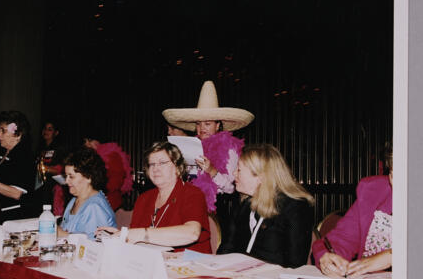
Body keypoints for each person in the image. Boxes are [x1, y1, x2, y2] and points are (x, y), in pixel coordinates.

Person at [162, 80, 254, 243]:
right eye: (198, 124)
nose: (201, 128)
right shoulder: (192, 146)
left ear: (218, 125)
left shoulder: (229, 148)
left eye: (207, 124)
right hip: (190, 205)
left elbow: (231, 188)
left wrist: (212, 171)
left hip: (218, 211)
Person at [97, 141, 211, 253]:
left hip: (189, 266)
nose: (155, 168)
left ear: (177, 167)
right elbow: (136, 237)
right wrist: (120, 235)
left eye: (162, 163)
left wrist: (140, 234)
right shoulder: (144, 198)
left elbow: (192, 234)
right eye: (152, 164)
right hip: (153, 263)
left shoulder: (192, 194)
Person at [217, 144, 315, 268]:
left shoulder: (294, 207)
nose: (233, 173)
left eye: (239, 170)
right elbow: (226, 250)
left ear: (260, 176)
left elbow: (295, 263)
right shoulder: (244, 205)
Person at [313, 145, 393, 277]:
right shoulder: (373, 192)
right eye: (392, 174)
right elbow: (341, 240)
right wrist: (330, 259)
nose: (397, 183)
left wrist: (393, 256)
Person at [58, 147, 117, 240]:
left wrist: (63, 235)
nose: (66, 181)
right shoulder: (74, 200)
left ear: (89, 177)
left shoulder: (95, 207)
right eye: (66, 176)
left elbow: (94, 247)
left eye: (71, 177)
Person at [0, 110, 35, 224]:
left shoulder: (24, 157)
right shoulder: (0, 154)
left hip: (12, 217)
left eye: (2, 131)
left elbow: (16, 193)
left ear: (18, 135)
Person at [83, 135, 133, 211]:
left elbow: (116, 182)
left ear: (99, 141)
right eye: (85, 141)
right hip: (91, 202)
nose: (87, 144)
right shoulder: (88, 157)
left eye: (90, 140)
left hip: (109, 204)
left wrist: (96, 188)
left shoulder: (111, 155)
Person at [35, 120, 68, 216]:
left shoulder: (60, 149)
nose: (46, 131)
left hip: (54, 188)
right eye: (45, 128)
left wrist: (45, 168)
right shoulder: (39, 148)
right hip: (41, 187)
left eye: (50, 129)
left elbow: (63, 170)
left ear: (56, 133)